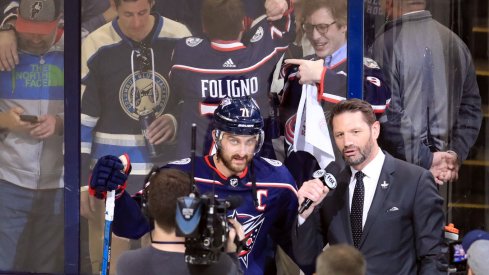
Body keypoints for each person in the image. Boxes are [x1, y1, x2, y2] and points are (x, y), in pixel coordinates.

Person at [90, 97, 299, 275]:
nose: (243, 152)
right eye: (234, 141)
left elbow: (295, 243)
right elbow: (133, 226)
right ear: (217, 137)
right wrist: (117, 194)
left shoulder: (278, 178)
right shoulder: (180, 176)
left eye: (250, 141)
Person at [291, 99, 446, 274]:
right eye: (339, 135)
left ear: (375, 130)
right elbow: (306, 259)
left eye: (355, 132)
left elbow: (433, 256)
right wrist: (304, 215)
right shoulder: (332, 188)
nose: (347, 141)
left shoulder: (415, 181)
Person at [80, 0, 191, 196]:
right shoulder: (96, 44)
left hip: (168, 174)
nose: (137, 23)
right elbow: (82, 121)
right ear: (114, 6)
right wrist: (81, 185)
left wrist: (175, 119)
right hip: (111, 175)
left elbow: (195, 99)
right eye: (128, 14)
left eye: (142, 12)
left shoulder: (180, 37)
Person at [279, 0, 391, 185]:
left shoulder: (362, 66)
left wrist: (323, 77)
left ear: (344, 25)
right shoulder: (299, 68)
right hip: (300, 179)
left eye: (323, 27)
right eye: (309, 27)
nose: (315, 36)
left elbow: (377, 101)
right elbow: (285, 125)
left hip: (345, 181)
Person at [372, 0, 482, 184]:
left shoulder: (384, 44)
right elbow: (471, 109)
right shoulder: (456, 43)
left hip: (400, 173)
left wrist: (429, 159)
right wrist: (452, 156)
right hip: (441, 173)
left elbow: (388, 113)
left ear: (389, 2)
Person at [169, 0, 293, 160]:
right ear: (243, 24)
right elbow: (288, 28)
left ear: (204, 27)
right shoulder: (259, 59)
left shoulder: (185, 55)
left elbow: (176, 86)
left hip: (200, 167)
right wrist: (285, 3)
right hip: (247, 164)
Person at [0, 0, 64, 273]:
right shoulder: (4, 52)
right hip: (9, 180)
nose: (35, 37)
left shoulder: (75, 52)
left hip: (59, 184)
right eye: (28, 30)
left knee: (47, 267)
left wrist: (59, 123)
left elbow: (94, 110)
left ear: (58, 24)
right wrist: (6, 122)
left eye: (42, 30)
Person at [116, 168, 244, 275]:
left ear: (147, 209)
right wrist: (231, 254)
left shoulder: (127, 263)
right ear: (193, 210)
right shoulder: (221, 266)